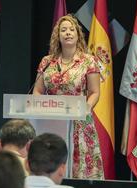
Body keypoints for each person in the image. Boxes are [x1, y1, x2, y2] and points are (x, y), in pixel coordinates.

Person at [33, 14, 104, 179]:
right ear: (57, 36)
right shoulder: (47, 62)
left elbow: (95, 92)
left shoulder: (88, 61)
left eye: (72, 29)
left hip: (80, 122)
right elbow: (37, 91)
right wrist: (39, 108)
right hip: (50, 121)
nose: (68, 33)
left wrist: (86, 108)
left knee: (80, 170)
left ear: (78, 34)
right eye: (63, 30)